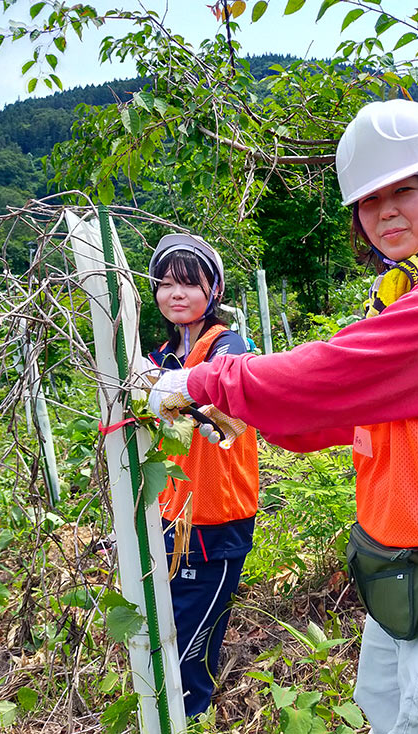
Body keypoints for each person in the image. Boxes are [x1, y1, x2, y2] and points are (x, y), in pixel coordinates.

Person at [148, 99, 418, 733]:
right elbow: (351, 413)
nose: (385, 210)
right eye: (368, 199)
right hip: (406, 563)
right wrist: (243, 413)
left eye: (404, 191)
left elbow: (335, 371)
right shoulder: (411, 294)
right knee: (385, 711)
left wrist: (206, 378)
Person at [147, 233, 260, 718]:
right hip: (170, 515)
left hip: (216, 517)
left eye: (190, 284)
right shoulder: (160, 356)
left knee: (191, 641)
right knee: (166, 629)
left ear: (213, 290)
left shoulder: (228, 345)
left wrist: (162, 395)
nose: (177, 294)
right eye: (166, 283)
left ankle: (191, 718)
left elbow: (222, 413)